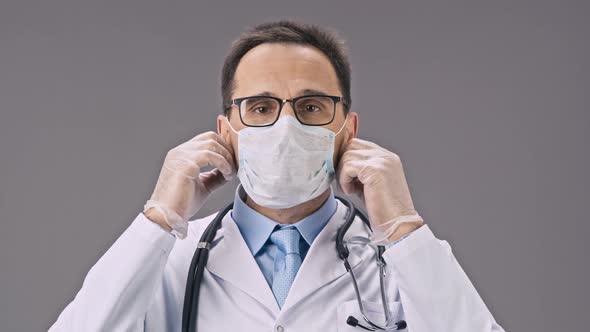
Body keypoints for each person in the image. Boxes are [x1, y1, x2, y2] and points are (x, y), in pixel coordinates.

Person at [49, 20, 506, 331]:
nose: (286, 127)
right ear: (226, 132)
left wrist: (404, 228)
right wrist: (158, 220)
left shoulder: (394, 263)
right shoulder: (169, 261)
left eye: (311, 107)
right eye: (261, 107)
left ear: (348, 130)